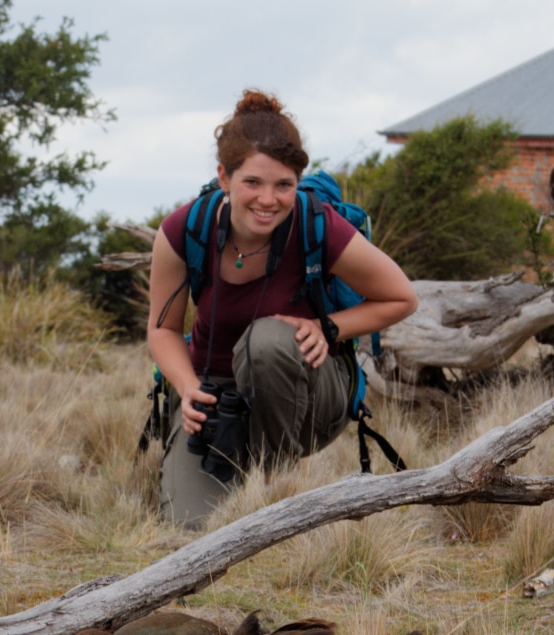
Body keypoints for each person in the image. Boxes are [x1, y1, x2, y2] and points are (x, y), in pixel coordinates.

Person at [148, 89, 417, 528]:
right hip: (215, 396)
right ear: (224, 177)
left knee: (268, 339)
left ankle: (277, 484)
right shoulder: (185, 230)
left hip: (306, 393)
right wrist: (186, 387)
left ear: (297, 182)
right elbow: (163, 330)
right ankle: (238, 484)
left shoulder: (315, 224)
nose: (268, 199)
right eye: (252, 182)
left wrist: (328, 327)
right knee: (192, 529)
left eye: (283, 185)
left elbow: (402, 297)